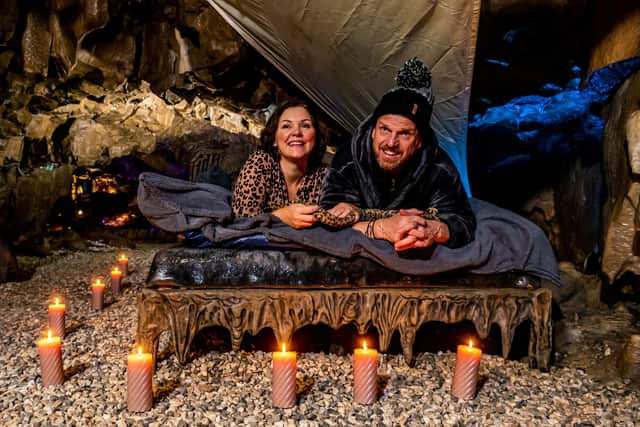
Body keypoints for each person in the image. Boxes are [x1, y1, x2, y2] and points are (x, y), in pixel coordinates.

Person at [320, 58, 476, 251]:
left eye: (404, 134)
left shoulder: (438, 167)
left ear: (419, 140)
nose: (391, 143)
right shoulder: (348, 158)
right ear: (373, 130)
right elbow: (328, 218)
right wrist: (381, 228)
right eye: (385, 129)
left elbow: (462, 220)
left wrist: (434, 229)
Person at [232, 99, 327, 229]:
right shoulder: (260, 164)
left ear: (315, 138)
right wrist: (280, 217)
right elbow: (242, 220)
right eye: (286, 126)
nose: (297, 132)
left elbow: (337, 214)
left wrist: (353, 209)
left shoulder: (324, 175)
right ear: (274, 139)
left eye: (305, 125)